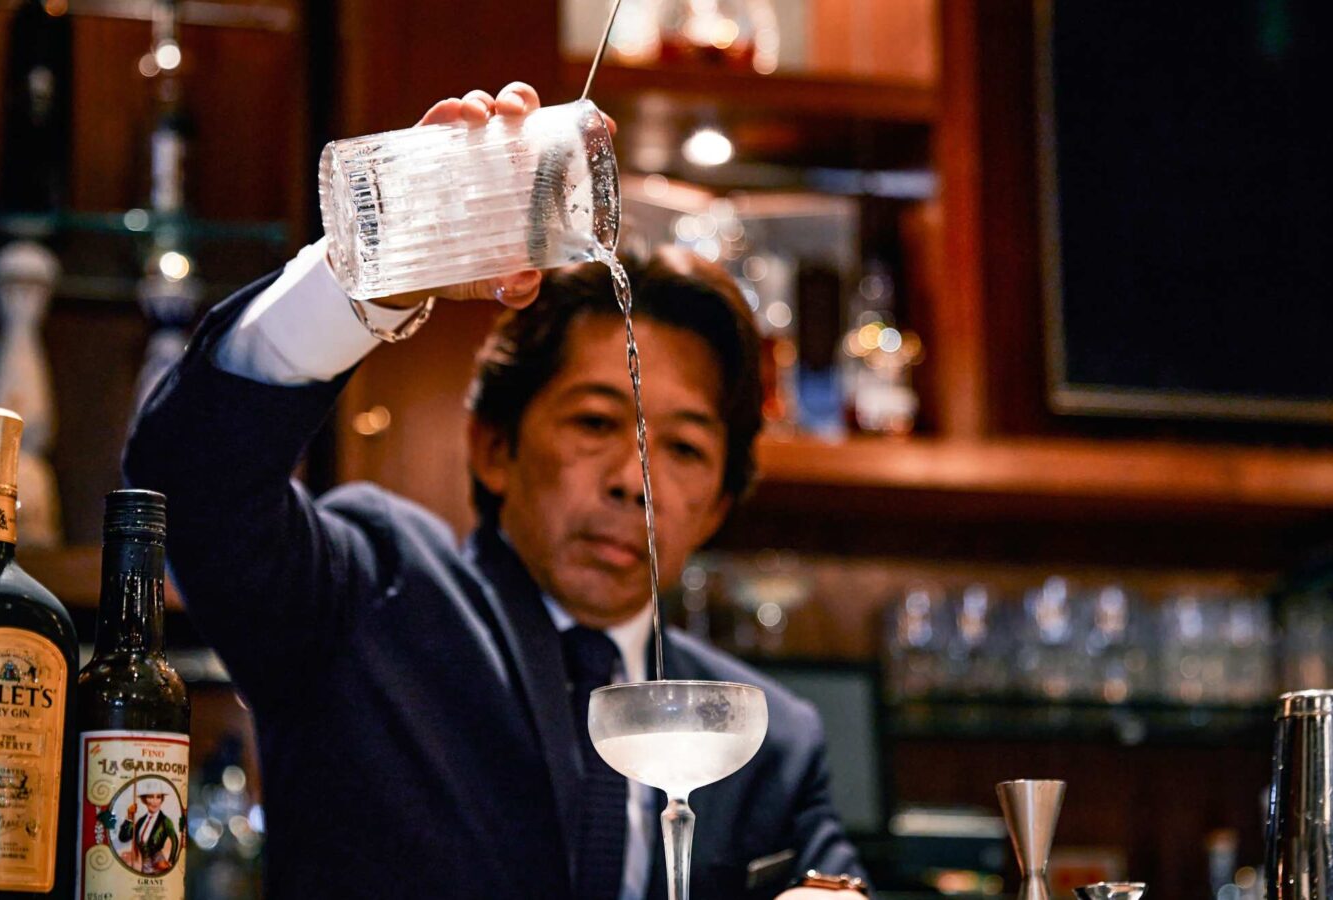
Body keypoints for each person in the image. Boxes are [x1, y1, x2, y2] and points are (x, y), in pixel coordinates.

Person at [124, 82, 866, 900]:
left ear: (723, 501)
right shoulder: (368, 594)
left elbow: (834, 887)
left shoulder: (763, 737)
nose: (634, 481)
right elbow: (188, 484)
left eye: (683, 448)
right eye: (594, 423)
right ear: (493, 448)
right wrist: (374, 270)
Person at [118, 781, 179, 874]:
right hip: (145, 866)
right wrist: (130, 816)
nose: (155, 801)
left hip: (159, 866)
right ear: (144, 799)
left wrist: (170, 862)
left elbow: (175, 840)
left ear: (162, 800)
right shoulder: (141, 821)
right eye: (150, 797)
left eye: (158, 797)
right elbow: (124, 838)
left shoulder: (165, 821)